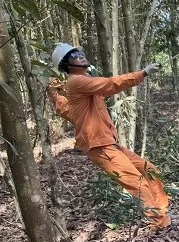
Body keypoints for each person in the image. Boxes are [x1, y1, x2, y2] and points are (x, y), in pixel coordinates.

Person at [47, 43, 171, 229]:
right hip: (99, 146)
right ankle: (160, 223)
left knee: (149, 169)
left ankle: (162, 211)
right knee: (136, 183)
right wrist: (143, 73)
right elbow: (111, 84)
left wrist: (54, 92)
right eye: (74, 56)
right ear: (67, 64)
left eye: (80, 52)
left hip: (109, 142)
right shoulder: (77, 82)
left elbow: (65, 109)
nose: (81, 56)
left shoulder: (80, 85)